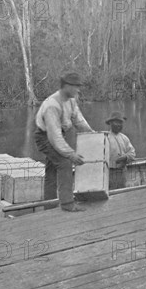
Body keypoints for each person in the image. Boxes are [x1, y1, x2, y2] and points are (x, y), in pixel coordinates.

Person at [34, 72, 92, 212]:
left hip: (59, 134)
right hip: (45, 137)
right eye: (76, 86)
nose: (78, 90)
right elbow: (54, 137)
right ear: (66, 86)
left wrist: (94, 135)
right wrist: (71, 154)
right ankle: (67, 204)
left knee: (52, 169)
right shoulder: (52, 105)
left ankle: (49, 205)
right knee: (65, 163)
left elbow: (79, 120)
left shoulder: (71, 100)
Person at [105, 111, 136, 190]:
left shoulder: (124, 138)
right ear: (110, 123)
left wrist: (125, 157)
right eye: (116, 122)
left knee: (123, 193)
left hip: (122, 172)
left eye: (121, 122)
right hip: (109, 173)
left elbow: (132, 153)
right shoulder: (105, 138)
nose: (119, 125)